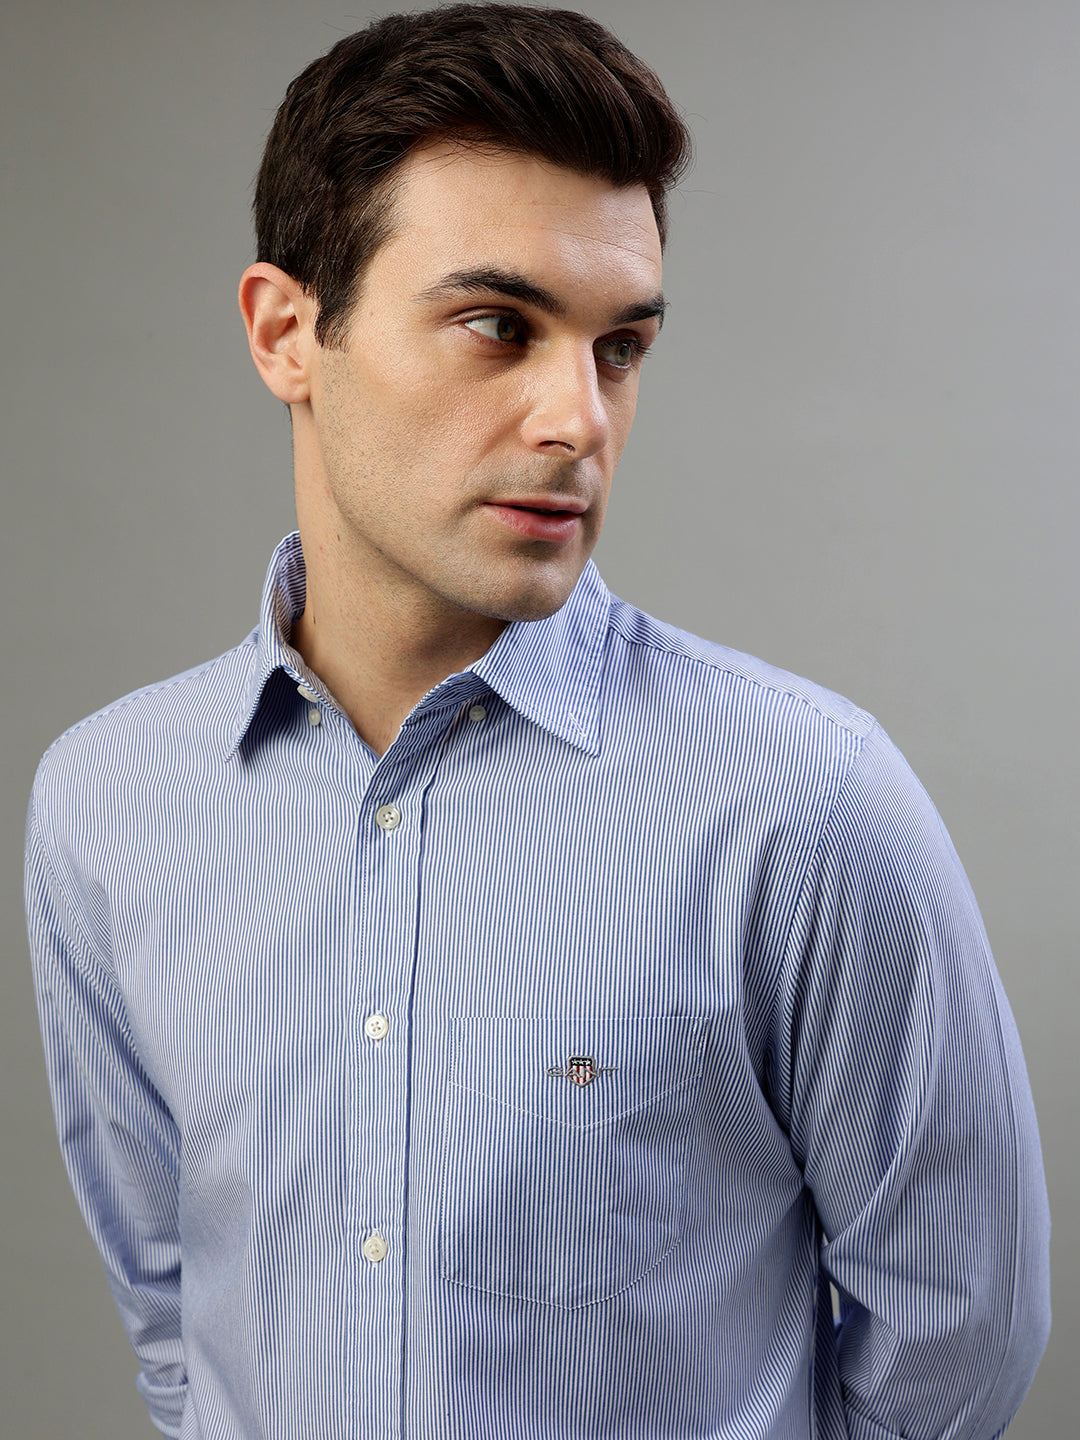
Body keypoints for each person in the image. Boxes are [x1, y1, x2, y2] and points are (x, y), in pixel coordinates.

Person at [25, 5, 1050, 1438]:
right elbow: (180, 1315)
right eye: (499, 327)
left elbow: (960, 1335)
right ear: (286, 332)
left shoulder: (807, 802)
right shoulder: (104, 801)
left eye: (618, 346)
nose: (580, 419)